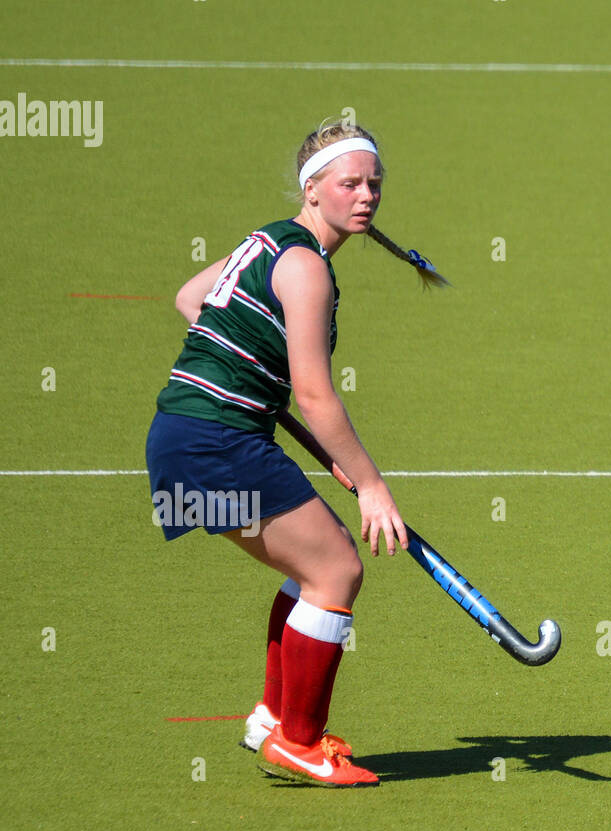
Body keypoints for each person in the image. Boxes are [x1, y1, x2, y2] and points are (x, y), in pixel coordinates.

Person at [146, 120, 441, 787]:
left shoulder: (267, 241)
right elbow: (313, 394)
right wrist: (371, 484)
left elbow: (191, 299)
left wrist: (240, 367)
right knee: (336, 570)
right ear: (314, 188)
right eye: (350, 183)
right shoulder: (307, 267)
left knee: (322, 560)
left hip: (183, 442)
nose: (366, 196)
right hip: (214, 443)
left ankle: (272, 720)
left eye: (374, 183)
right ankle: (300, 742)